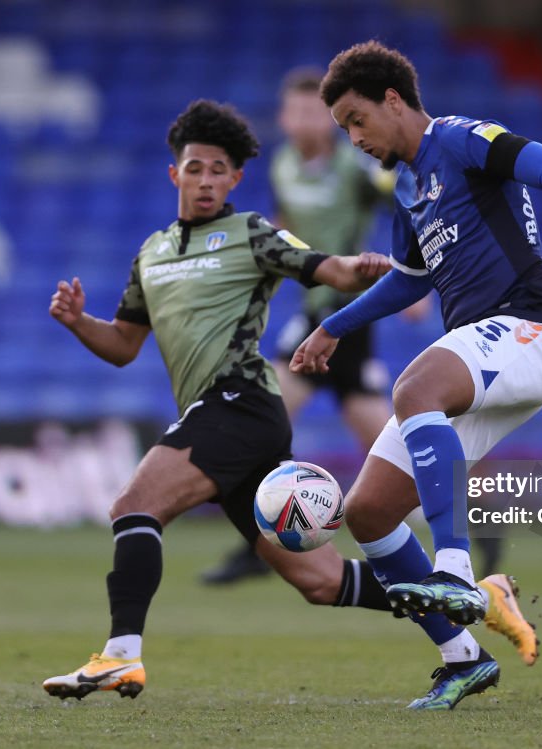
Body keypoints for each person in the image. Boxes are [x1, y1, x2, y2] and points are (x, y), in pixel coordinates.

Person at [41, 99, 537, 701]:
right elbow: (123, 345)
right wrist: (77, 323)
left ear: (236, 178)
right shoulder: (150, 254)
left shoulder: (250, 233)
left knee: (133, 507)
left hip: (239, 403)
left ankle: (120, 656)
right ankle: (477, 613)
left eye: (218, 170)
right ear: (175, 174)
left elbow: (322, 266)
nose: (205, 180)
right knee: (321, 582)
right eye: (194, 168)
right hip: (220, 420)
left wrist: (363, 268)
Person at [291, 41, 542, 710]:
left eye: (357, 120)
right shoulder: (407, 188)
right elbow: (409, 279)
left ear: (394, 100)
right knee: (369, 511)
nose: (354, 138)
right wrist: (333, 326)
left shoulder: (460, 139)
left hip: (531, 332)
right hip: (475, 350)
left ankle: (457, 568)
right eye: (344, 128)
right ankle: (462, 657)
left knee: (413, 389)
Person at [199, 66, 402, 586]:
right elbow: (284, 225)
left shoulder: (357, 168)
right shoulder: (284, 165)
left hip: (348, 317)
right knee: (270, 419)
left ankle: (467, 519)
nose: (303, 120)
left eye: (314, 110)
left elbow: (406, 208)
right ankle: (262, 543)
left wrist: (411, 274)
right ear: (284, 117)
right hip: (318, 315)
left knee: (264, 420)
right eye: (295, 110)